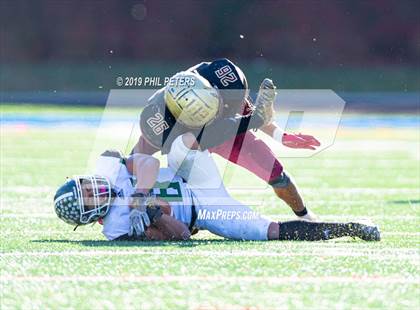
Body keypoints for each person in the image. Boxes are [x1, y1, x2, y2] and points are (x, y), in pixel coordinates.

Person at [54, 133, 380, 242]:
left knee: (181, 138)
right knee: (270, 232)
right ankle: (349, 228)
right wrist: (154, 216)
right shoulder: (116, 229)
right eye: (87, 197)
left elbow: (149, 163)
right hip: (207, 211)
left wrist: (140, 195)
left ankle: (236, 123)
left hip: (191, 176)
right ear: (90, 215)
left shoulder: (107, 165)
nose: (92, 189)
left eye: (83, 186)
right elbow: (181, 234)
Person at [132, 58, 321, 222]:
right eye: (199, 117)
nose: (209, 117)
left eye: (213, 108)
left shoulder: (225, 81)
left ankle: (305, 216)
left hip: (227, 132)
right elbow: (136, 158)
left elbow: (252, 116)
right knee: (184, 204)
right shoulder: (158, 119)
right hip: (187, 146)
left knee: (276, 175)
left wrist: (281, 136)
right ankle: (191, 218)